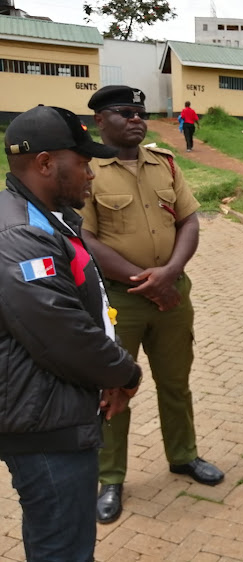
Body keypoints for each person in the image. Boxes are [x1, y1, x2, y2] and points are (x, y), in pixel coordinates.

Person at [0, 105, 142, 560]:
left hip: (56, 411)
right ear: (44, 163)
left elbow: (85, 308)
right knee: (63, 550)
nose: (91, 174)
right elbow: (62, 331)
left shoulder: (48, 217)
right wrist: (126, 373)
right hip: (46, 426)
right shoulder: (21, 233)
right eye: (81, 162)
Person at [79, 85, 224, 525]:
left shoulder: (165, 164)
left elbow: (189, 221)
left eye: (140, 112)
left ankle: (183, 456)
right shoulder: (87, 171)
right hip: (121, 302)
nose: (137, 119)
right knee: (114, 389)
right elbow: (84, 239)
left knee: (176, 383)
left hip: (173, 295)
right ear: (100, 122)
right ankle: (111, 478)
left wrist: (170, 273)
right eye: (124, 112)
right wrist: (146, 281)